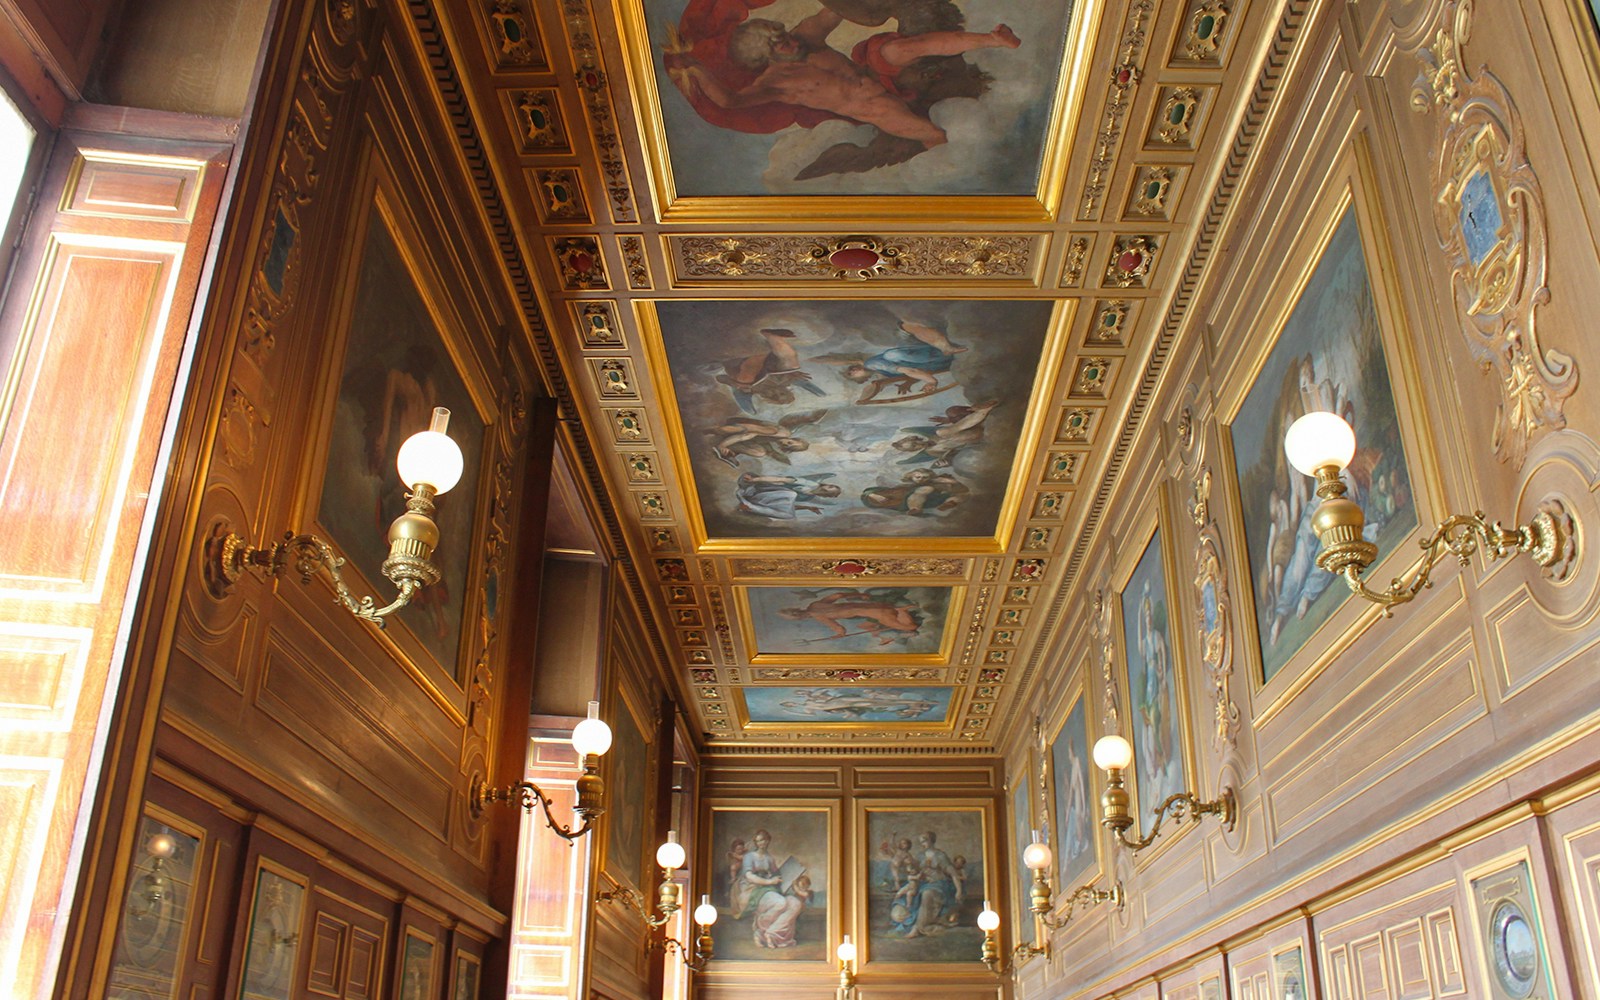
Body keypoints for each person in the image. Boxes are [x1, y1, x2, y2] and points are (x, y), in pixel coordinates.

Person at [673, 7, 1020, 151]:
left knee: (899, 50)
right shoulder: (775, 82)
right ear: (765, 55)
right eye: (779, 44)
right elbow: (730, 102)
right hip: (873, 108)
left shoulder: (806, 36)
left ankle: (993, 38)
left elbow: (835, 9)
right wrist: (698, 71)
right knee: (932, 136)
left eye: (782, 33)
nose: (789, 42)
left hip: (877, 75)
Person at [839, 320, 969, 402]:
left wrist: (930, 381)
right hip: (937, 359)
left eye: (850, 368)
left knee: (893, 352)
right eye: (851, 373)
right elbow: (911, 372)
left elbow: (910, 371)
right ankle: (944, 347)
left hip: (932, 357)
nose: (853, 369)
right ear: (860, 380)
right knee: (894, 351)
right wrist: (918, 381)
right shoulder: (880, 371)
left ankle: (942, 345)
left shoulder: (871, 364)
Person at [716, 327, 827, 414]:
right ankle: (772, 337)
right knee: (792, 365)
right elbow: (804, 383)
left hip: (739, 364)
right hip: (770, 359)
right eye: (782, 393)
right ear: (787, 390)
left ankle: (759, 351)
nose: (777, 393)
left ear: (769, 398)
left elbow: (720, 378)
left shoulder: (751, 391)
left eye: (776, 397)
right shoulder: (787, 381)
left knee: (745, 380)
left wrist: (735, 384)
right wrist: (793, 374)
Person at [776, 589, 922, 645]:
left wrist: (838, 635)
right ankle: (899, 611)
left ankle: (902, 610)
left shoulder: (818, 616)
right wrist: (859, 595)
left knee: (912, 627)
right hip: (875, 605)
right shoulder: (815, 605)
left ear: (800, 618)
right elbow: (838, 595)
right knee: (872, 624)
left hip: (877, 613)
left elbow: (839, 628)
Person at [735, 473, 841, 519]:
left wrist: (808, 508)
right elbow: (780, 479)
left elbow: (784, 504)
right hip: (760, 489)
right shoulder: (808, 483)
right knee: (791, 494)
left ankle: (750, 507)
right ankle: (750, 503)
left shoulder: (809, 497)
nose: (829, 488)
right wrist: (754, 480)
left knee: (789, 515)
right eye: (831, 486)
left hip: (764, 499)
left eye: (831, 492)